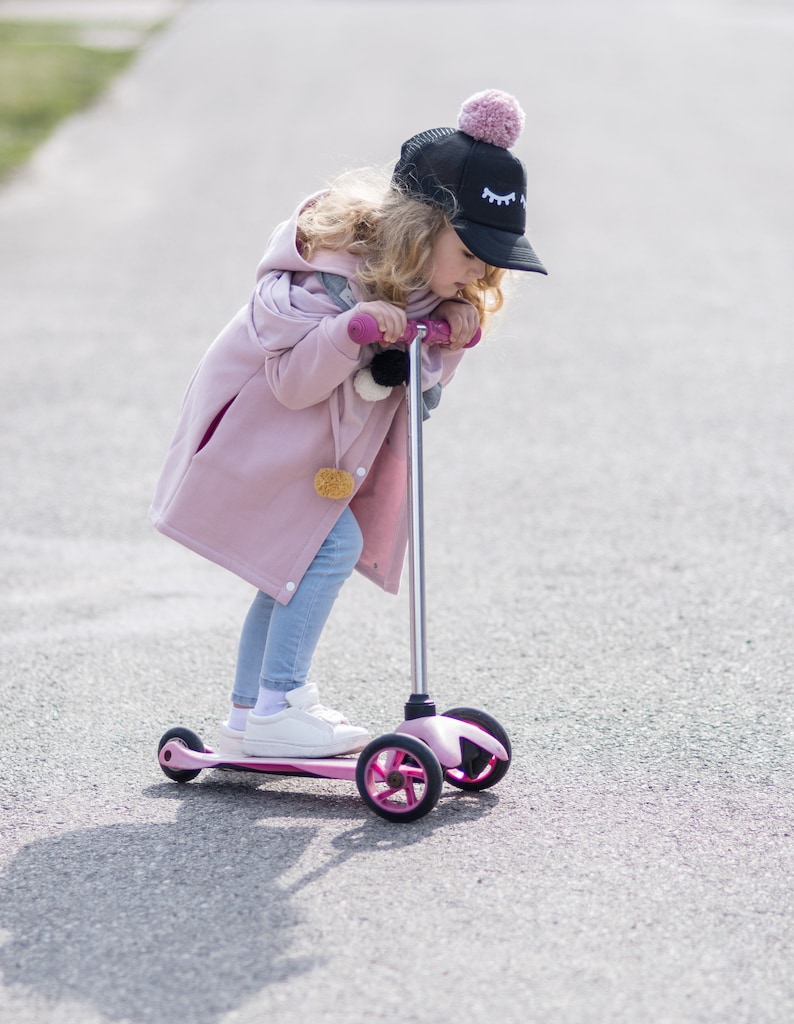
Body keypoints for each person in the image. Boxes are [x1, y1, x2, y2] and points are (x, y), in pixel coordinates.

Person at [149, 89, 547, 759]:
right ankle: (282, 701)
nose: (479, 273)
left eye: (489, 263)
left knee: (285, 572)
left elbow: (413, 395)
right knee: (326, 551)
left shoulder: (425, 287)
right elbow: (294, 381)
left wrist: (441, 341)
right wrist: (349, 332)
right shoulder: (325, 279)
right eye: (471, 254)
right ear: (421, 230)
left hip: (311, 459)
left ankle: (249, 717)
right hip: (260, 443)